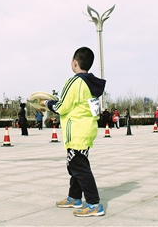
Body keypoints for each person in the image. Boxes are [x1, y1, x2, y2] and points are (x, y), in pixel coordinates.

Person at [42, 47, 106, 217]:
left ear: (74, 62)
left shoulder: (74, 82)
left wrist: (47, 103)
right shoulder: (91, 84)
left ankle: (94, 204)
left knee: (78, 165)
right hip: (86, 129)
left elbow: (61, 107)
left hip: (76, 131)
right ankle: (74, 197)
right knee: (76, 164)